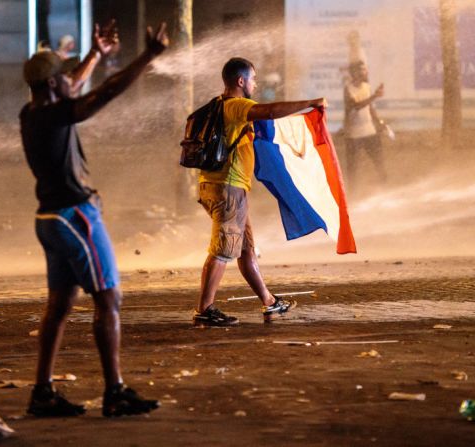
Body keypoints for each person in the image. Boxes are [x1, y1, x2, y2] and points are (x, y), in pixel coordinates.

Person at [19, 21, 169, 418]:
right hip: (75, 217)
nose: (74, 78)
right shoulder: (56, 116)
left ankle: (43, 392)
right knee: (108, 298)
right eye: (65, 75)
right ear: (53, 85)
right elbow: (106, 91)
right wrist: (148, 56)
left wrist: (95, 55)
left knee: (60, 305)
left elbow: (73, 85)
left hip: (49, 219)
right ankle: (115, 391)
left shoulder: (31, 113)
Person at [193, 57, 326, 327]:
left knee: (245, 250)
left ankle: (269, 302)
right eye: (253, 78)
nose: (255, 83)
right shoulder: (237, 106)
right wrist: (309, 103)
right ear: (240, 81)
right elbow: (270, 111)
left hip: (218, 185)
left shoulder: (217, 105)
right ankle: (204, 310)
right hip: (228, 188)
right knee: (223, 249)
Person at [343, 60, 387, 184]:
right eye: (361, 69)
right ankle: (353, 195)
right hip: (353, 134)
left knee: (379, 163)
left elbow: (370, 107)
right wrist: (375, 96)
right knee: (353, 169)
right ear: (354, 72)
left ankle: (384, 188)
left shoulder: (367, 87)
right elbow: (356, 106)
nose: (365, 72)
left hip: (369, 131)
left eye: (365, 69)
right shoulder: (348, 89)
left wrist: (379, 122)